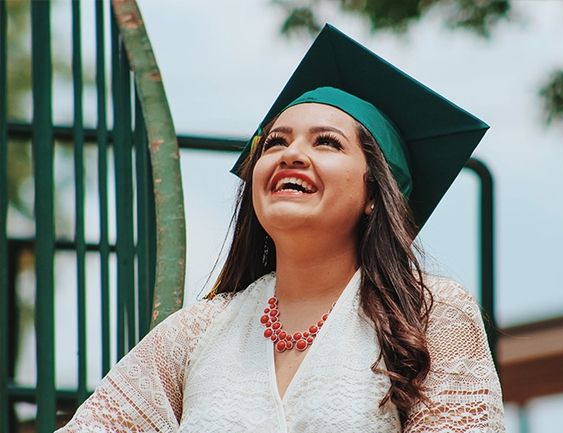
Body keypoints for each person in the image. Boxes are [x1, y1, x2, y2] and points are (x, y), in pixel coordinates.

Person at [58, 25, 505, 432]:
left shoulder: (429, 316)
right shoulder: (197, 333)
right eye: (275, 141)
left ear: (374, 193)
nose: (291, 154)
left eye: (326, 142)